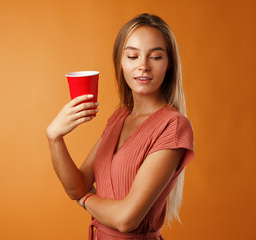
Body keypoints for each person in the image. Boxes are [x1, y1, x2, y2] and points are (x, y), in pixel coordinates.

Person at [46, 13, 195, 240]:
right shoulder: (119, 117)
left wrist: (86, 200)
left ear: (169, 64)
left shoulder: (173, 126)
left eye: (155, 57)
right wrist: (54, 136)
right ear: (121, 62)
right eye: (133, 56)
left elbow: (126, 219)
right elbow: (77, 186)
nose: (143, 66)